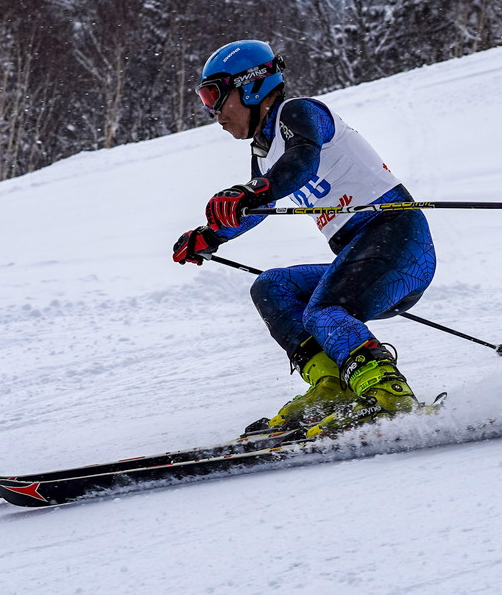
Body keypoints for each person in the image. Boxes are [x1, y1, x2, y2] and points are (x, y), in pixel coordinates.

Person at [173, 39, 437, 437]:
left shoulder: (300, 113)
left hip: (397, 237)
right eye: (204, 98)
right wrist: (210, 236)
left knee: (325, 310)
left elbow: (301, 162)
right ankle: (331, 387)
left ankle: (389, 395)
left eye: (214, 95)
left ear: (250, 86)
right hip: (361, 253)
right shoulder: (263, 153)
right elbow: (256, 207)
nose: (212, 112)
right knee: (272, 287)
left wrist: (254, 190)